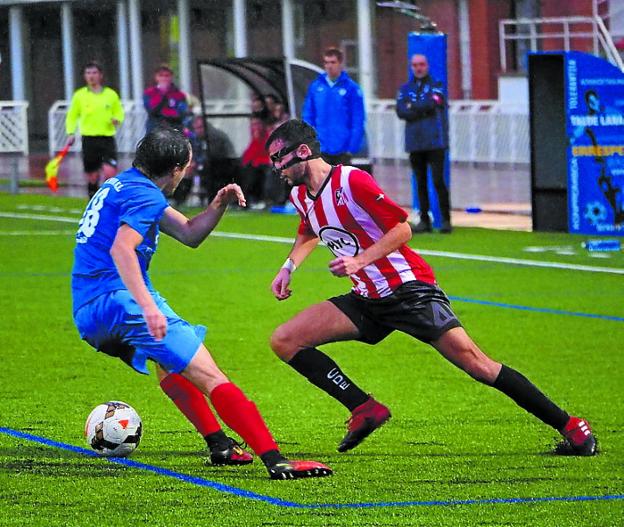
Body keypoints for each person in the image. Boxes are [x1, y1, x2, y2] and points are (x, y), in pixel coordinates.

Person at [265, 119, 597, 458]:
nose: (276, 167)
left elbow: (402, 229)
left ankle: (572, 427)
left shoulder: (351, 181)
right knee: (285, 340)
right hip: (367, 298)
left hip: (409, 290)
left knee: (478, 365)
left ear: (303, 152)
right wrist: (288, 267)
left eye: (279, 158)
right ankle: (364, 408)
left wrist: (361, 260)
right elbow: (308, 229)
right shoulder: (299, 195)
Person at [71, 125, 332, 480]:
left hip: (87, 310)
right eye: (188, 166)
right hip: (122, 301)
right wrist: (147, 307)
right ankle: (276, 461)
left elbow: (190, 233)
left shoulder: (123, 185)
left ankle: (219, 444)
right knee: (210, 375)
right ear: (175, 169)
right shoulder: (146, 196)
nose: (189, 171)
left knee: (168, 362)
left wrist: (218, 204)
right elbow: (121, 248)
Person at [396, 54, 452, 234]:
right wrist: (418, 107)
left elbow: (433, 103)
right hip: (415, 142)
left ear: (427, 66)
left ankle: (445, 219)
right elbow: (401, 110)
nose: (418, 68)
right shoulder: (406, 88)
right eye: (415, 65)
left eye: (421, 65)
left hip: (435, 141)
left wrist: (414, 107)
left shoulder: (437, 85)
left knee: (437, 180)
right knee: (419, 182)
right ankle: (424, 220)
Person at [66, 61, 124, 199]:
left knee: (110, 172)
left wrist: (117, 119)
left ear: (100, 75)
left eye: (94, 73)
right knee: (92, 176)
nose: (91, 76)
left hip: (107, 138)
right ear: (85, 76)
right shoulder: (79, 95)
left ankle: (108, 200)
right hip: (89, 139)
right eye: (88, 73)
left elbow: (119, 112)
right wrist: (71, 132)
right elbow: (72, 116)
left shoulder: (110, 94)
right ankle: (92, 199)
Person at [302, 47, 365, 166]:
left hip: (343, 148)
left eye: (333, 62)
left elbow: (358, 119)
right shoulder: (316, 87)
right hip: (321, 147)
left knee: (340, 183)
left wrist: (352, 147)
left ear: (340, 64)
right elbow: (308, 115)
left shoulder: (351, 89)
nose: (329, 66)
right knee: (322, 183)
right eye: (326, 62)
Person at [143, 65, 188, 133]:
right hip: (155, 129)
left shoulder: (179, 95)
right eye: (161, 75)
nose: (164, 78)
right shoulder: (149, 93)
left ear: (171, 77)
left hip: (174, 130)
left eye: (167, 76)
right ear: (156, 77)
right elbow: (151, 111)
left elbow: (182, 112)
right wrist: (163, 97)